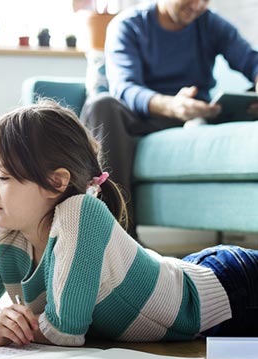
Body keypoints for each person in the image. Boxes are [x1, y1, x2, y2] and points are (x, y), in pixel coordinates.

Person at [0, 100, 257, 348]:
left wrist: (9, 321)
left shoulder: (80, 212)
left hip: (234, 287)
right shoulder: (11, 235)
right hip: (192, 276)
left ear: (56, 182)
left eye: (3, 177)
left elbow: (63, 332)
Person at [81, 0, 258, 239]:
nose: (197, 6)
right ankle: (118, 235)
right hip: (142, 116)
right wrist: (172, 105)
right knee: (101, 106)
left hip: (195, 117)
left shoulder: (210, 23)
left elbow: (251, 60)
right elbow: (125, 87)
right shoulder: (128, 25)